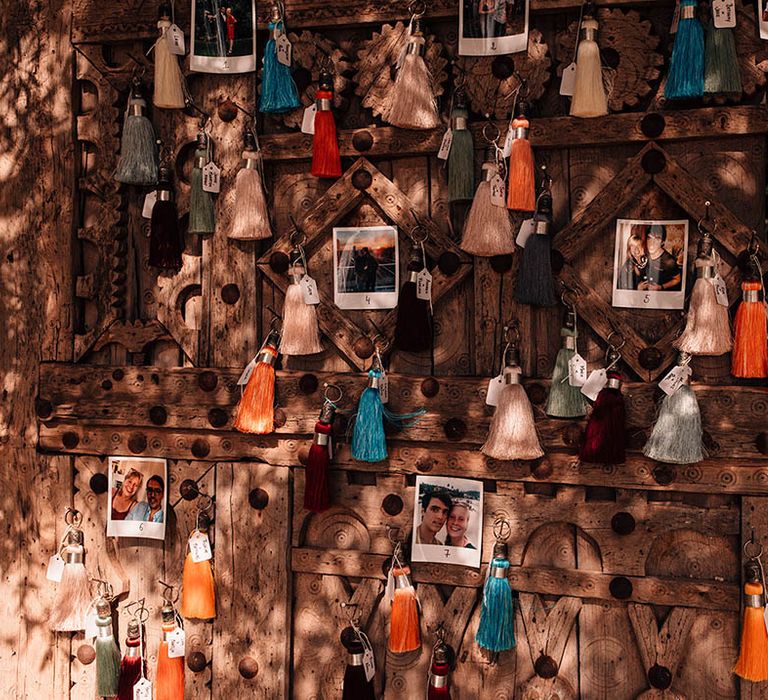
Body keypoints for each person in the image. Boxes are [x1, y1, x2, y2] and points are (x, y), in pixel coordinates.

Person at [638, 224, 682, 291]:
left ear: (662, 242)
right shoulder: (643, 253)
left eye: (657, 239)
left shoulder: (669, 261)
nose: (652, 243)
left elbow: (677, 279)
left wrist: (661, 287)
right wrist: (638, 286)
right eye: (649, 238)